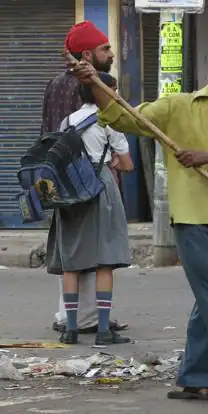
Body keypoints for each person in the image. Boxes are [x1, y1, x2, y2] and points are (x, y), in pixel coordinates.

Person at [70, 40, 208, 403]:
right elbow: (125, 117)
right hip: (195, 219)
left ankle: (195, 379)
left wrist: (207, 156)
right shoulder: (179, 106)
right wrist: (95, 83)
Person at [42, 20, 129, 335]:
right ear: (88, 55)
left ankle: (69, 318)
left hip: (66, 182)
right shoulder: (94, 87)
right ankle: (91, 320)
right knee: (98, 251)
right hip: (91, 180)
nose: (112, 54)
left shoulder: (54, 84)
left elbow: (48, 137)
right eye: (106, 48)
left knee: (71, 251)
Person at [51, 72, 134, 345]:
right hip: (101, 189)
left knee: (72, 263)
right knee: (104, 260)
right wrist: (109, 163)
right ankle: (102, 331)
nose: (116, 94)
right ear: (102, 92)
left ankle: (71, 330)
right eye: (113, 89)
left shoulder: (66, 121)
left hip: (71, 192)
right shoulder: (109, 121)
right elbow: (127, 164)